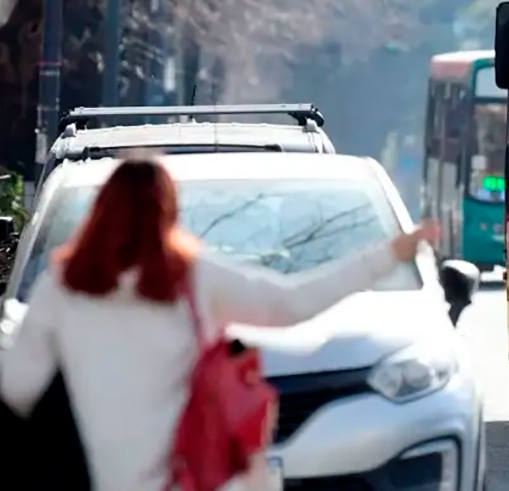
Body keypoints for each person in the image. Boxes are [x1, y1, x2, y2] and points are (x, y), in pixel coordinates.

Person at [0, 157, 439, 491]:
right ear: (168, 213)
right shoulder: (193, 279)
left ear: (100, 213)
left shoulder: (63, 285)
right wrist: (387, 255)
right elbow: (293, 302)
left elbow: (18, 386)